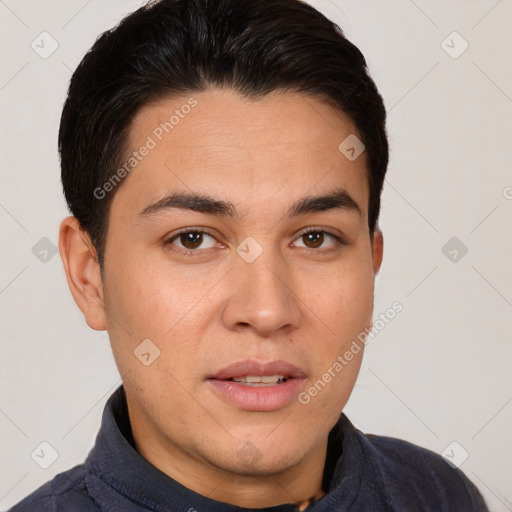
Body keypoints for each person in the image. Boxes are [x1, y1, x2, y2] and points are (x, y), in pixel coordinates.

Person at [9, 0, 489, 510]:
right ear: (89, 276)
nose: (266, 310)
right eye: (192, 239)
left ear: (372, 262)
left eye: (315, 238)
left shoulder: (437, 495)